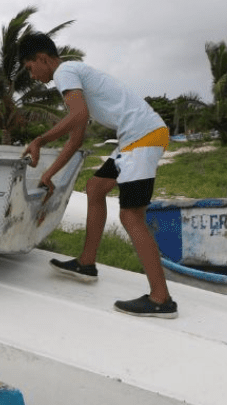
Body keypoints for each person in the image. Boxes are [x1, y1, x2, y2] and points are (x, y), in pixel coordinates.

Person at [18, 32, 177, 318]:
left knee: (131, 216)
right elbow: (77, 136)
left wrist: (40, 140)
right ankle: (86, 263)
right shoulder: (74, 76)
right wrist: (51, 174)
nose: (32, 75)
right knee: (95, 187)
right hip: (135, 139)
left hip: (143, 138)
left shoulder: (65, 71)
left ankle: (161, 299)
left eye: (30, 68)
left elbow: (77, 117)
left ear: (42, 58)